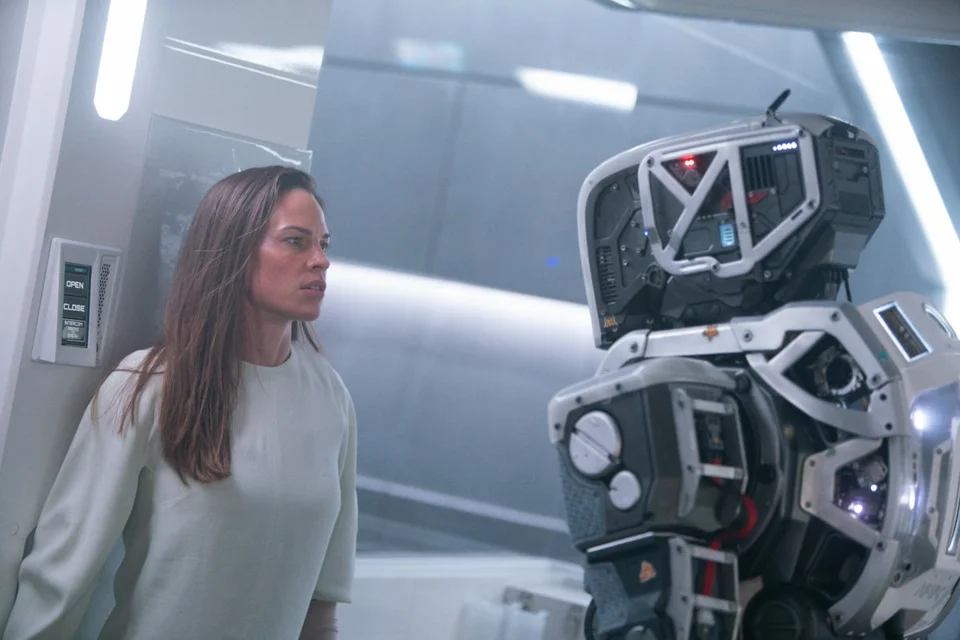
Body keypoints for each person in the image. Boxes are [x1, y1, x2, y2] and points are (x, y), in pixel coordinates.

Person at [3, 166, 357, 640]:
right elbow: (61, 580)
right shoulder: (146, 387)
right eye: (296, 241)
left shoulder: (331, 397)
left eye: (323, 244)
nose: (321, 261)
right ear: (234, 252)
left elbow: (321, 602)